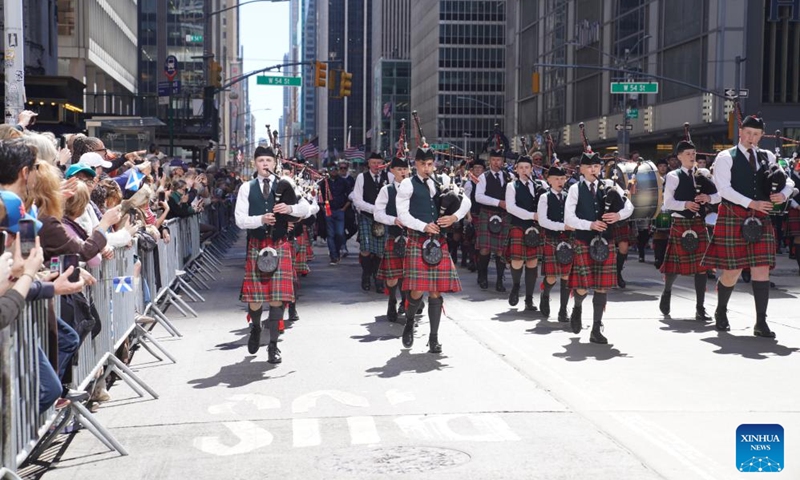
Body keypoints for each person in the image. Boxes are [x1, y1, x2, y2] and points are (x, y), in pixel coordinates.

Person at [702, 115, 794, 337]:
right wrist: (751, 202)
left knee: (761, 268)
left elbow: (788, 179)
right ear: (740, 132)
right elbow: (723, 189)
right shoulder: (726, 157)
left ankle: (761, 323)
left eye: (756, 134)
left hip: (761, 217)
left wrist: (783, 193)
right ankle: (721, 311)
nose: (751, 138)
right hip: (734, 215)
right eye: (748, 133)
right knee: (732, 271)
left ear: (762, 135)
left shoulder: (768, 156)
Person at [235, 146, 309, 363]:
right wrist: (260, 220)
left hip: (280, 244)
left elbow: (307, 208)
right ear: (255, 163)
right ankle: (256, 327)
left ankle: (273, 346)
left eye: (269, 160)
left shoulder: (287, 184)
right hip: (257, 244)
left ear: (275, 163)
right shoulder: (246, 188)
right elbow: (239, 220)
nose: (265, 164)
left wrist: (290, 209)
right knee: (255, 299)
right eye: (261, 160)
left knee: (277, 299)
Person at [396, 147, 470, 353]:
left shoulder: (444, 181)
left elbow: (466, 201)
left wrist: (454, 217)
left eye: (430, 164)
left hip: (439, 241)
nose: (426, 168)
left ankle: (434, 337)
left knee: (436, 291)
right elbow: (402, 214)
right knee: (418, 289)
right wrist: (423, 225)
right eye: (422, 164)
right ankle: (410, 322)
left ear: (434, 164)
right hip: (418, 239)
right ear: (415, 164)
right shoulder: (407, 185)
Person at [564, 151, 633, 344]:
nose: (593, 170)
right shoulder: (575, 189)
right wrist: (590, 224)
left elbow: (629, 207)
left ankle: (596, 328)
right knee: (582, 287)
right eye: (589, 167)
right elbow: (568, 218)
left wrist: (618, 216)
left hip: (606, 241)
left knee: (602, 287)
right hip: (584, 240)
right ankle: (577, 307)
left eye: (596, 166)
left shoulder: (610, 186)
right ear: (582, 170)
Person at [658, 140, 720, 320]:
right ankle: (667, 292)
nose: (692, 157)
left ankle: (700, 308)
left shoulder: (702, 176)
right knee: (674, 268)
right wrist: (686, 204)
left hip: (698, 223)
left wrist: (707, 197)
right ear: (679, 157)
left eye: (693, 154)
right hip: (681, 224)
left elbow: (719, 196)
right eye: (688, 154)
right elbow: (668, 203)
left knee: (702, 267)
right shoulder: (673, 176)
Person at [374, 154, 411, 322]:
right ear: (392, 171)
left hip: (413, 235)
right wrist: (393, 220)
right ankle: (391, 301)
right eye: (399, 169)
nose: (403, 172)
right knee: (393, 276)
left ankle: (406, 301)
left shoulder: (415, 188)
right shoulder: (386, 190)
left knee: (408, 273)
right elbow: (378, 213)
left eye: (405, 169)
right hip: (394, 235)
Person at [504, 155, 543, 310]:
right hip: (519, 226)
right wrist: (532, 215)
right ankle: (515, 285)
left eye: (527, 167)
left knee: (533, 263)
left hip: (535, 228)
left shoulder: (540, 185)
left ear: (532, 169)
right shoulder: (512, 186)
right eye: (521, 167)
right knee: (517, 261)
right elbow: (511, 208)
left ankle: (529, 299)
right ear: (516, 169)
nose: (524, 170)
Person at [537, 165, 574, 321]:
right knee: (551, 277)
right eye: (556, 179)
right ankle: (545, 295)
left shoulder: (570, 197)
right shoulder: (545, 197)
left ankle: (563, 310)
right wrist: (562, 226)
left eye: (562, 178)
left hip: (568, 239)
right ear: (549, 180)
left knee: (566, 276)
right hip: (552, 238)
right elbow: (543, 221)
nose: (560, 181)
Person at [475, 148, 512, 291]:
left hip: (504, 215)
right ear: (490, 161)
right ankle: (482, 275)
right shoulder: (484, 177)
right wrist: (499, 202)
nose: (497, 162)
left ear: (503, 161)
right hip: (488, 213)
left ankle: (499, 280)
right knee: (484, 249)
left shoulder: (508, 176)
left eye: (499, 160)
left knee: (501, 250)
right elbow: (478, 196)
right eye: (494, 160)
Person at [352, 152, 390, 292]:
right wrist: (375, 209)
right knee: (366, 249)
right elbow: (357, 201)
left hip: (384, 219)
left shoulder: (389, 177)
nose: (376, 165)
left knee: (381, 251)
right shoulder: (362, 177)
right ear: (368, 163)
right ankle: (366, 275)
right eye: (373, 162)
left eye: (378, 162)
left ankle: (378, 278)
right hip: (367, 218)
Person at [319, 160, 352, 265]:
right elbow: (319, 197)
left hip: (340, 210)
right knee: (330, 234)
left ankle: (337, 251)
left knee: (340, 233)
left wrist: (344, 208)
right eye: (331, 169)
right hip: (328, 210)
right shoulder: (324, 182)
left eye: (335, 169)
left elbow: (350, 196)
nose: (334, 171)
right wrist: (323, 208)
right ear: (328, 171)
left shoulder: (343, 182)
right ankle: (333, 256)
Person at [461, 157, 486, 271]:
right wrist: (469, 216)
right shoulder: (469, 184)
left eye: (480, 168)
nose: (477, 170)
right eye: (475, 168)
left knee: (483, 242)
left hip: (485, 215)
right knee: (473, 240)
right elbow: (466, 201)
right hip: (474, 214)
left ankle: (480, 262)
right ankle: (472, 261)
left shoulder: (487, 182)